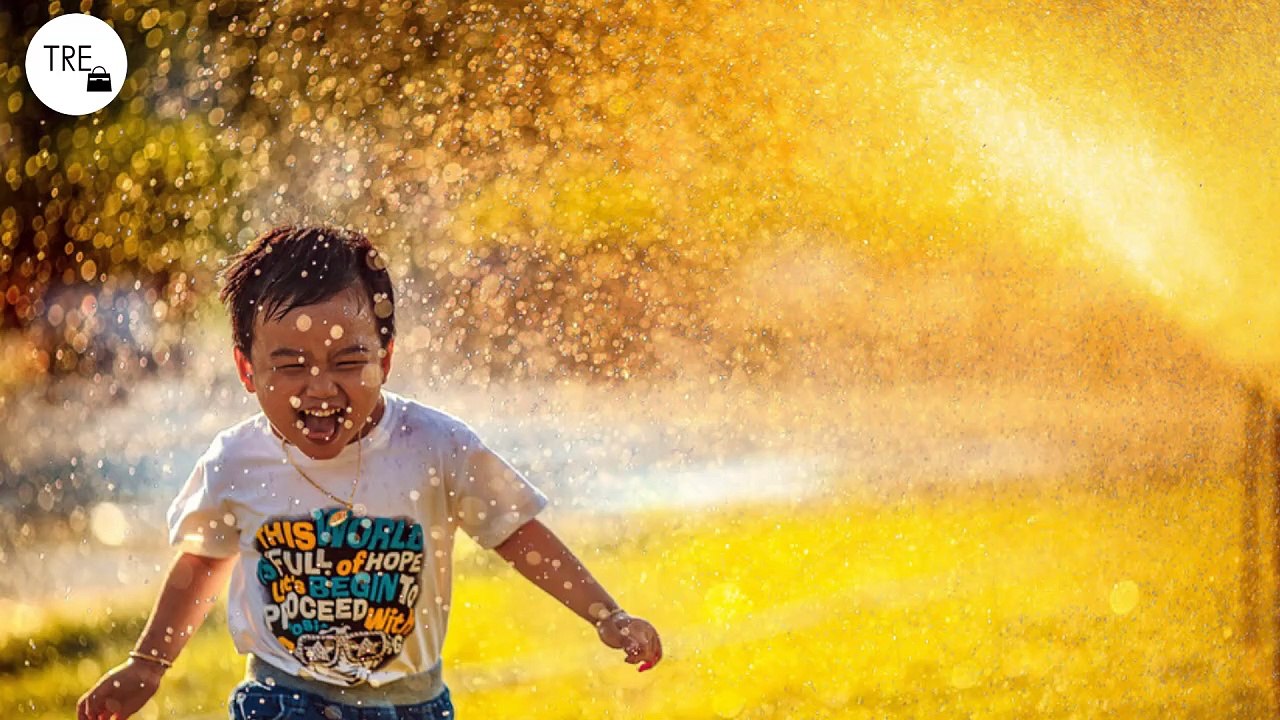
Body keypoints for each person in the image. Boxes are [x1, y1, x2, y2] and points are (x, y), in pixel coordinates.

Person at [77, 225, 662, 720]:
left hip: (411, 704)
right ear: (247, 369)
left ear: (385, 357)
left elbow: (515, 531)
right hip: (283, 699)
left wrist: (606, 612)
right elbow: (203, 561)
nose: (320, 388)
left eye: (348, 362)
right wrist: (148, 663)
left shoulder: (435, 445)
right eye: (290, 366)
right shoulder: (236, 460)